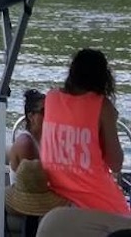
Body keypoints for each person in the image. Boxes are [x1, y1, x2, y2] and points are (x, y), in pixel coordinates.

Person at [41, 48, 130, 216]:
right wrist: (110, 120)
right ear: (103, 77)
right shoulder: (102, 106)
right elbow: (115, 163)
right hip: (95, 200)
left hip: (56, 194)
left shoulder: (51, 98)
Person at [10, 88, 46, 180]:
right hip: (26, 193)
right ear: (31, 116)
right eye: (43, 111)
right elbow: (35, 182)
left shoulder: (44, 139)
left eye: (50, 110)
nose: (48, 114)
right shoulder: (26, 144)